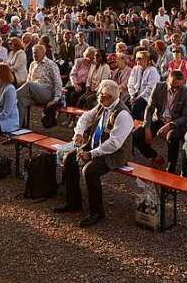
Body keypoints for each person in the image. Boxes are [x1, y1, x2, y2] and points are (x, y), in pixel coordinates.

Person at [54, 79, 133, 227]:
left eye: (100, 95)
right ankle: (73, 202)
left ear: (109, 97)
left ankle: (96, 212)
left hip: (116, 153)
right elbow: (85, 117)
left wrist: (91, 154)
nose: (98, 97)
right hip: (97, 146)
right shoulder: (103, 105)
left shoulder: (123, 114)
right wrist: (78, 133)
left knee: (90, 170)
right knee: (69, 158)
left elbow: (114, 144)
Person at [132, 69, 187, 173]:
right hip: (160, 120)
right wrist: (147, 127)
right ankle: (155, 156)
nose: (175, 89)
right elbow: (150, 108)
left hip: (176, 123)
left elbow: (185, 116)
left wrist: (171, 125)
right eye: (173, 86)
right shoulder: (159, 87)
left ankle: (171, 167)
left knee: (172, 136)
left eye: (178, 87)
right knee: (136, 135)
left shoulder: (186, 92)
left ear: (182, 82)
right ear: (167, 80)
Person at [16, 44, 63, 128]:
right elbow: (29, 79)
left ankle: (10, 96)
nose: (34, 55)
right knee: (20, 101)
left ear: (43, 53)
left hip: (47, 92)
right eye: (33, 53)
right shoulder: (32, 64)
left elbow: (58, 82)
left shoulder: (51, 64)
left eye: (36, 53)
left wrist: (55, 99)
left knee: (29, 85)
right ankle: (18, 128)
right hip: (34, 92)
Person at [126, 49, 160, 121]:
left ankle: (137, 125)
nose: (137, 60)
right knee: (125, 103)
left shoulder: (152, 71)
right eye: (136, 58)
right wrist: (132, 95)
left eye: (139, 58)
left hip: (147, 97)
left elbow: (150, 89)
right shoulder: (135, 69)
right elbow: (130, 84)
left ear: (146, 59)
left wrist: (137, 97)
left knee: (136, 106)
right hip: (134, 96)